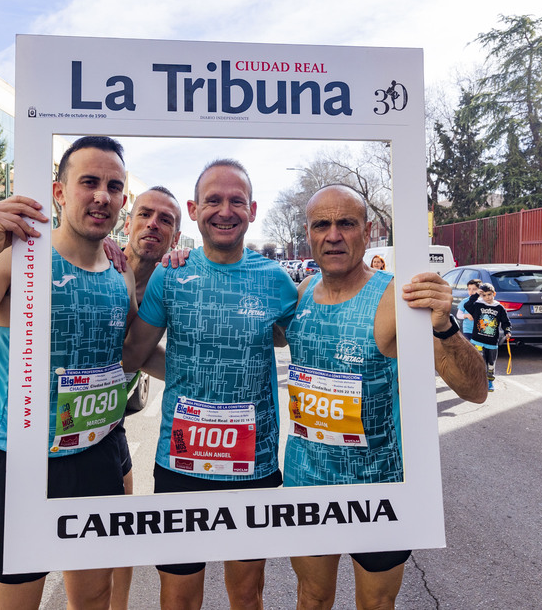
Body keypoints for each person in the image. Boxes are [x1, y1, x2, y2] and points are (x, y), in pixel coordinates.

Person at [0, 136, 149, 610]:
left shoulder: (118, 271)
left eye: (114, 185)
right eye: (89, 182)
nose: (102, 195)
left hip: (97, 455)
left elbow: (125, 354)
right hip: (18, 462)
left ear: (123, 200)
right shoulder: (16, 260)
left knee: (94, 599)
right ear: (59, 192)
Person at [284, 184, 487, 610]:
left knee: (376, 604)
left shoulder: (398, 299)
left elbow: (475, 392)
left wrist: (445, 327)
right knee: (313, 597)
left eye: (347, 223)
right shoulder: (299, 295)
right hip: (307, 483)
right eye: (322, 224)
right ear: (308, 233)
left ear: (368, 230)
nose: (334, 235)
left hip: (379, 491)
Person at [122, 159, 296, 610]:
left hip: (252, 469)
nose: (225, 210)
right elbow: (132, 355)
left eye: (236, 200)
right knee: (179, 599)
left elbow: (310, 343)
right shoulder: (171, 273)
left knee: (246, 595)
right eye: (213, 200)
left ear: (252, 210)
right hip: (181, 467)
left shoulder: (276, 280)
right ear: (195, 209)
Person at [110, 185, 183, 610]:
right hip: (42, 426)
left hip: (105, 426)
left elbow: (136, 354)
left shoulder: (168, 279)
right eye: (145, 214)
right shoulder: (97, 260)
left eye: (166, 219)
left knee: (118, 539)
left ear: (175, 235)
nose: (153, 224)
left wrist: (200, 382)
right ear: (128, 219)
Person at [462, 282, 512, 392]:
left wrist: (507, 331)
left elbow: (505, 322)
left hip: (492, 342)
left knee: (491, 363)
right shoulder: (478, 305)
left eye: (489, 294)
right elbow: (467, 306)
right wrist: (476, 295)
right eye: (484, 295)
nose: (487, 297)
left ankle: (490, 381)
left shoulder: (499, 308)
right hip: (478, 341)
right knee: (478, 362)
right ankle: (478, 382)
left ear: (494, 293)